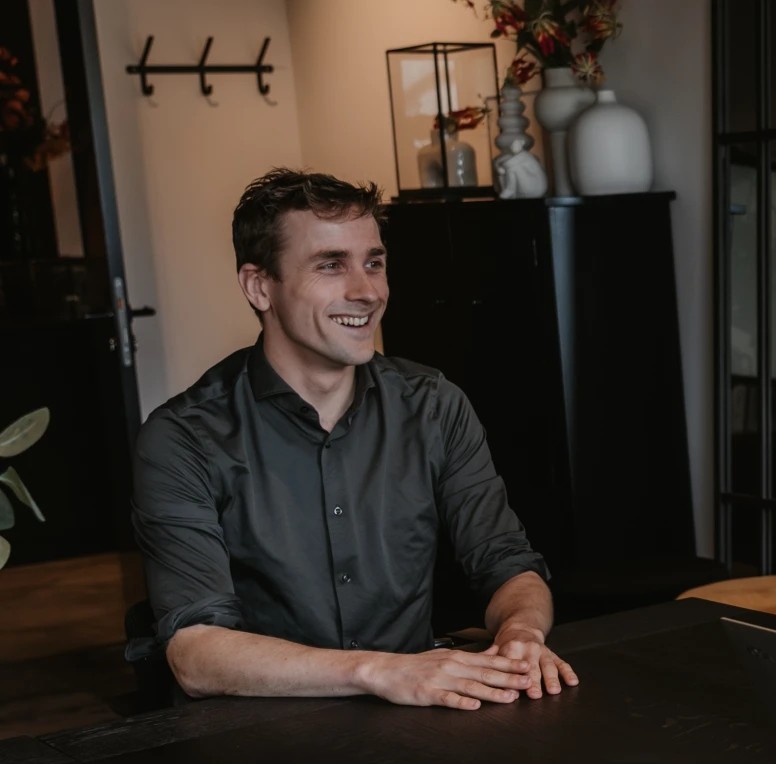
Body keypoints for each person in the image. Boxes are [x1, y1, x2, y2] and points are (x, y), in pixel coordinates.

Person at [128, 168, 578, 710]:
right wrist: (381, 672)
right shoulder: (183, 438)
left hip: (420, 717)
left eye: (374, 262)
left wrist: (521, 636)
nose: (367, 291)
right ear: (258, 285)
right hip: (259, 737)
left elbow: (508, 565)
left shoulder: (434, 406)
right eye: (330, 265)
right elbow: (195, 654)